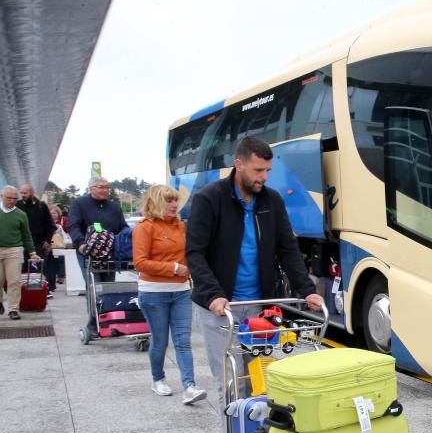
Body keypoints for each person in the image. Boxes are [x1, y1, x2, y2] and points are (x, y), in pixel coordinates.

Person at [186, 136, 323, 411]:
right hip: (220, 308)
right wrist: (213, 294)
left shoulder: (271, 201)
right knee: (232, 381)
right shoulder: (208, 199)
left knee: (259, 377)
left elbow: (288, 248)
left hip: (258, 307)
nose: (264, 177)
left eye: (268, 171)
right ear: (239, 165)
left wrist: (306, 289)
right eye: (258, 170)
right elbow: (194, 253)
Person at [133, 185, 207, 404]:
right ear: (156, 202)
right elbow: (140, 262)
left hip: (181, 291)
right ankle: (158, 379)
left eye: (175, 200)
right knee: (160, 341)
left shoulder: (181, 226)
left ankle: (189, 386)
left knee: (183, 341)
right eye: (168, 200)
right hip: (153, 292)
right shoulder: (144, 227)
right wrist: (173, 268)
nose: (174, 205)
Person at [67, 176, 128, 338]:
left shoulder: (114, 207)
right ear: (91, 188)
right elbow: (73, 225)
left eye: (107, 187)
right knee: (95, 287)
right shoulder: (79, 204)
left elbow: (123, 227)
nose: (105, 190)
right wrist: (80, 243)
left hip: (110, 254)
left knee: (109, 287)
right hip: (88, 253)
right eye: (101, 187)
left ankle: (110, 320)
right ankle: (94, 323)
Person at [0, 186, 40, 319]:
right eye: (8, 198)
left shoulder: (21, 215)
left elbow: (26, 235)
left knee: (14, 280)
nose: (11, 201)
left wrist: (32, 252)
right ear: (2, 196)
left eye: (14, 199)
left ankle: (13, 309)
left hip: (14, 250)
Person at [17, 184, 56, 298]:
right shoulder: (18, 205)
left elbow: (50, 224)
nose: (23, 195)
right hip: (22, 243)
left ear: (32, 193)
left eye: (25, 193)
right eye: (22, 193)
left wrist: (47, 240)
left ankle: (44, 290)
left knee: (39, 267)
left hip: (38, 242)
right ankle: (24, 291)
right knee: (23, 267)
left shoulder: (41, 206)